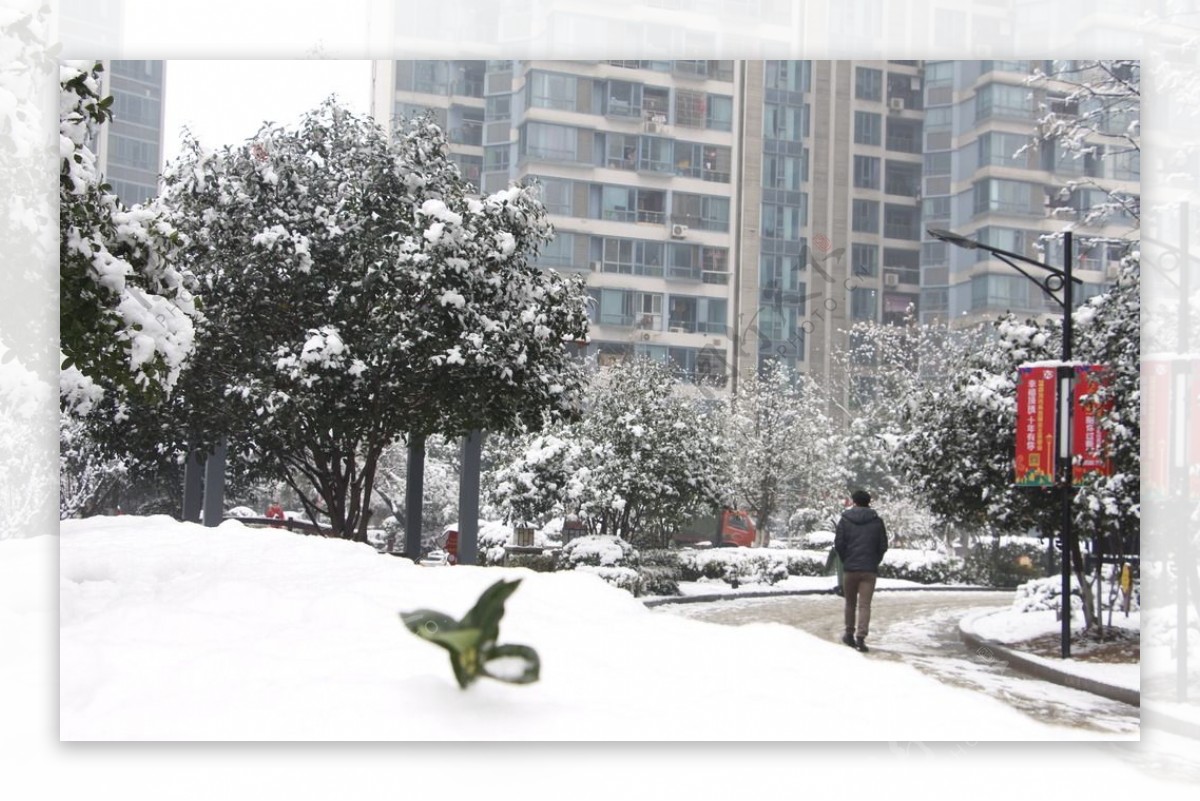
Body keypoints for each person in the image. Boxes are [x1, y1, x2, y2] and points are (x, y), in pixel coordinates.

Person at [834, 489, 888, 652]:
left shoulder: (845, 520)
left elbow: (839, 544)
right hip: (869, 570)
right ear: (869, 502)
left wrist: (846, 560)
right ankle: (861, 637)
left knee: (850, 603)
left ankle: (849, 634)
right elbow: (883, 545)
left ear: (854, 501)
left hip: (850, 569)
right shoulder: (877, 521)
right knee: (865, 605)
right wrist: (874, 560)